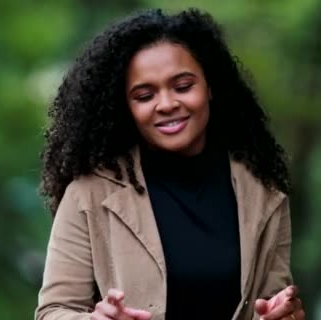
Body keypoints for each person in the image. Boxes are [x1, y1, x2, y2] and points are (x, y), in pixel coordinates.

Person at [36, 8, 305, 320]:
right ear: (125, 106)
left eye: (183, 86)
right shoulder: (89, 194)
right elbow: (53, 312)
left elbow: (272, 302)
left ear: (210, 87)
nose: (166, 104)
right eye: (144, 95)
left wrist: (284, 313)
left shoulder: (264, 191)